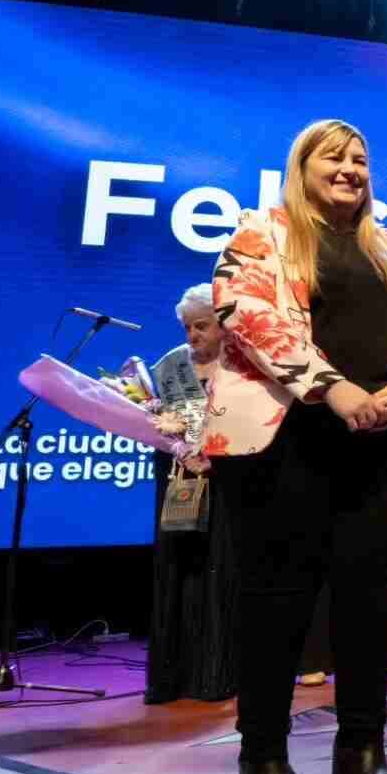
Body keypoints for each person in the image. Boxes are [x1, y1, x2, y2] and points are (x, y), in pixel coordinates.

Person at [204, 119, 387, 774]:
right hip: (288, 443)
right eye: (333, 157)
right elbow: (243, 311)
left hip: (382, 444)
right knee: (277, 605)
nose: (349, 169)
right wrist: (333, 388)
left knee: (371, 606)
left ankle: (363, 753)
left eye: (360, 159)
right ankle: (264, 759)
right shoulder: (261, 231)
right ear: (301, 166)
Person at [144, 283, 237, 705]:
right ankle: (171, 676)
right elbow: (153, 418)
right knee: (175, 571)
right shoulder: (169, 366)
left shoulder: (240, 366)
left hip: (227, 481)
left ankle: (216, 674)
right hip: (178, 478)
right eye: (187, 327)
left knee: (220, 571)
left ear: (223, 326)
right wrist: (175, 440)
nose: (193, 335)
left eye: (202, 325)